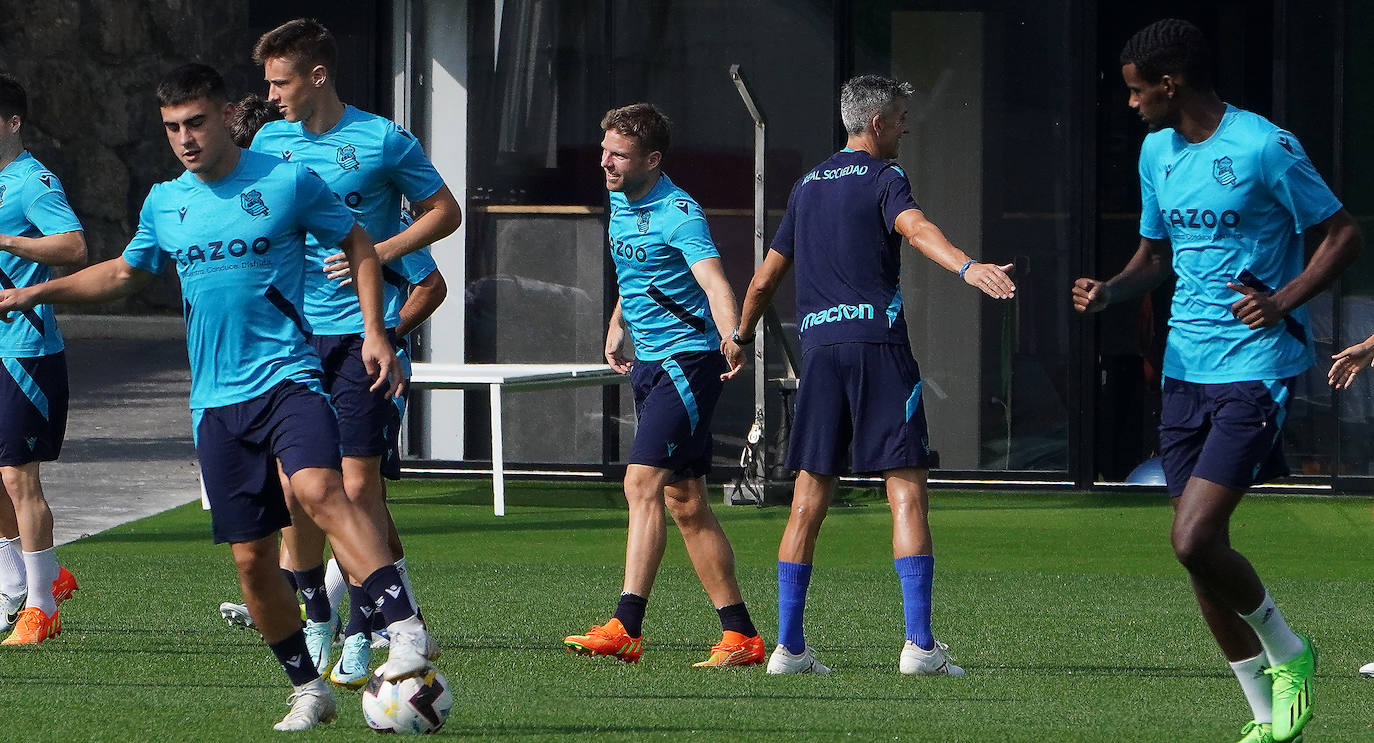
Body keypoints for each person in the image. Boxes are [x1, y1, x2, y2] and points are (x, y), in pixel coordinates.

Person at [0, 63, 439, 731]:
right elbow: (123, 272)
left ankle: (401, 625)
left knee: (323, 488)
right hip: (215, 403)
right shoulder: (165, 202)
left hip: (289, 376)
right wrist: (36, 291)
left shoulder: (285, 179)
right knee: (252, 562)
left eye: (197, 122)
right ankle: (306, 686)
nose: (185, 138)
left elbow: (358, 245)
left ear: (226, 115)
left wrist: (377, 331)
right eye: (173, 127)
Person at [1072, 19, 1361, 743]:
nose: (1131, 104)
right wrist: (1111, 289)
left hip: (1255, 368)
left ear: (1170, 85)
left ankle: (1292, 652)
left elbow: (1343, 234)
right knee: (1196, 546)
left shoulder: (1264, 145)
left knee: (1194, 536)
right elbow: (1154, 256)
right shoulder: (1155, 152)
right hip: (1183, 369)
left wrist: (1282, 300)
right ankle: (1266, 717)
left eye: (1139, 92)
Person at [735, 74, 1014, 677]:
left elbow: (763, 280)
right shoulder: (887, 178)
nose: (908, 127)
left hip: (821, 354)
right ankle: (919, 647)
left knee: (807, 500)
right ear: (878, 124)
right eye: (902, 118)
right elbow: (914, 228)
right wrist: (967, 267)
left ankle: (789, 650)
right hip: (879, 349)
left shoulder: (807, 187)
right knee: (907, 489)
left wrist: (739, 338)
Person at [247, 17, 461, 686]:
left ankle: (368, 626)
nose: (272, 94)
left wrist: (377, 252)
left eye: (281, 82)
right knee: (297, 489)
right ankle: (318, 613)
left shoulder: (381, 140)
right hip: (287, 337)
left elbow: (445, 212)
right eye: (267, 82)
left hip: (358, 335)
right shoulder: (267, 140)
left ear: (318, 76)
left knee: (359, 486)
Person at [562, 103, 765, 667]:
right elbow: (640, 273)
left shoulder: (680, 212)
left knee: (641, 482)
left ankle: (626, 624)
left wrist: (734, 336)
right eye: (603, 151)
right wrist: (617, 324)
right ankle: (741, 636)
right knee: (686, 502)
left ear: (652, 159)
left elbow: (716, 283)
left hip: (689, 362)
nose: (605, 163)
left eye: (618, 155)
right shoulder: (619, 197)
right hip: (649, 364)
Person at [0, 72, 85, 644]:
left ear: (12, 122)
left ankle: (40, 605)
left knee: (17, 476)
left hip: (25, 352)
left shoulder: (32, 183)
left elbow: (73, 246)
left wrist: (7, 241)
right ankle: (19, 584)